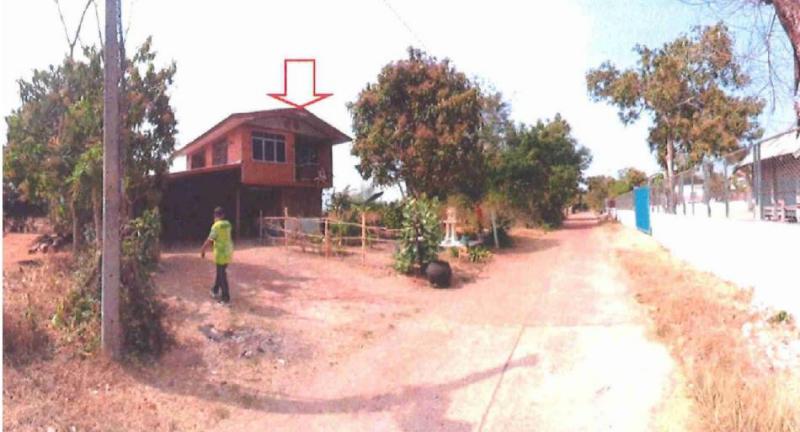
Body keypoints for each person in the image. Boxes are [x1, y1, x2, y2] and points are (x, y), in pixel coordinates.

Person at [200, 207, 234, 304]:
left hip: (220, 253)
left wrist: (203, 249)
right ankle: (215, 290)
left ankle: (226, 298)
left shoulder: (216, 226)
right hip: (228, 252)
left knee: (222, 275)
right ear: (223, 215)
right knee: (220, 272)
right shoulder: (228, 224)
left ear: (215, 216)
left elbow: (210, 239)